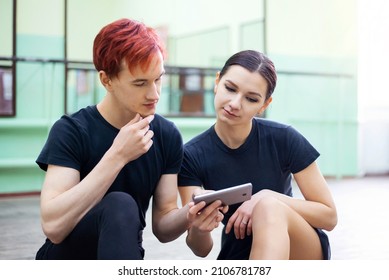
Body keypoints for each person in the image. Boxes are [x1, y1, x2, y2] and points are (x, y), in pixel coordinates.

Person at [34, 18, 221, 260]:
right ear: (106, 80)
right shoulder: (71, 130)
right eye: (140, 83)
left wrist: (191, 212)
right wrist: (118, 155)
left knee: (123, 207)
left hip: (122, 255)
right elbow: (54, 227)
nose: (154, 94)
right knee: (120, 203)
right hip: (66, 260)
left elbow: (163, 226)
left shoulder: (166, 135)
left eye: (158, 79)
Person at [178, 50, 338, 260]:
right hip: (239, 252)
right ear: (217, 82)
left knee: (269, 206)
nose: (235, 103)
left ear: (264, 105)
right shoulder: (191, 155)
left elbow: (329, 216)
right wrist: (200, 228)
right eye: (230, 88)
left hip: (299, 248)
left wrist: (266, 196)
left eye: (251, 99)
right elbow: (201, 249)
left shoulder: (284, 138)